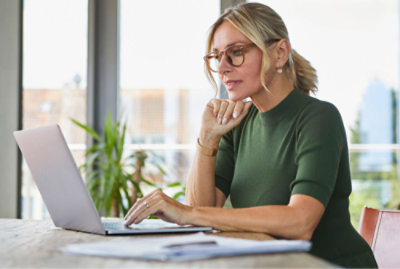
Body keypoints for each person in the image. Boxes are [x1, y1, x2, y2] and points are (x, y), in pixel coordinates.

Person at [124, 3, 377, 268]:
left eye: (236, 53)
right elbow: (202, 208)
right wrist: (207, 138)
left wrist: (189, 213)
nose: (222, 67)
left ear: (279, 53)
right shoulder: (240, 123)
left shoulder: (319, 118)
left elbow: (300, 222)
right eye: (216, 57)